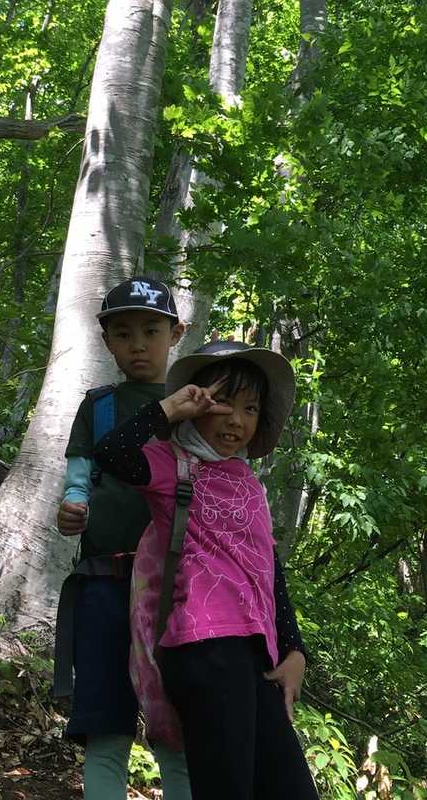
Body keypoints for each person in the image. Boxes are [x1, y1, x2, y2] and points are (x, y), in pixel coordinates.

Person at [92, 338, 319, 800]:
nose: (237, 420)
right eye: (223, 403)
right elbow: (111, 453)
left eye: (251, 409)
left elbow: (267, 568)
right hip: (204, 647)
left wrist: (294, 650)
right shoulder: (170, 464)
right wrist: (169, 408)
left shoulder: (249, 482)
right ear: (197, 403)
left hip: (256, 655)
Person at [54, 276, 192, 800]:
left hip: (176, 593)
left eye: (151, 331)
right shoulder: (101, 405)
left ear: (175, 334)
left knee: (177, 730)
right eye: (124, 333)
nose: (138, 344)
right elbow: (80, 476)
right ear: (107, 340)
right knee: (106, 726)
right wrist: (73, 505)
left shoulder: (193, 406)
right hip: (105, 582)